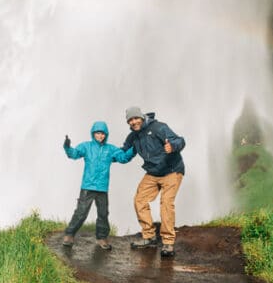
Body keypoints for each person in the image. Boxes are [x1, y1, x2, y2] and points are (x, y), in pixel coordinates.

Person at [122, 106, 185, 259]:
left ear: (142, 117)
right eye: (130, 120)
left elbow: (180, 140)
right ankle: (149, 236)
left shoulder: (158, 128)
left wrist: (173, 146)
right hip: (153, 172)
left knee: (166, 203)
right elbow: (123, 151)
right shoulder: (133, 137)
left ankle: (168, 242)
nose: (134, 122)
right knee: (140, 200)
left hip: (172, 170)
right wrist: (104, 155)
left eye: (136, 118)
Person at [61, 120, 133, 250]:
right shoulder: (86, 146)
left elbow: (123, 158)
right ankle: (69, 234)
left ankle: (101, 238)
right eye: (98, 133)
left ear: (106, 135)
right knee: (81, 213)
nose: (101, 136)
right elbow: (74, 154)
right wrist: (67, 146)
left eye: (103, 134)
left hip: (102, 188)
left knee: (103, 213)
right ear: (93, 133)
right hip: (87, 186)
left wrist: (135, 148)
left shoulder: (110, 149)